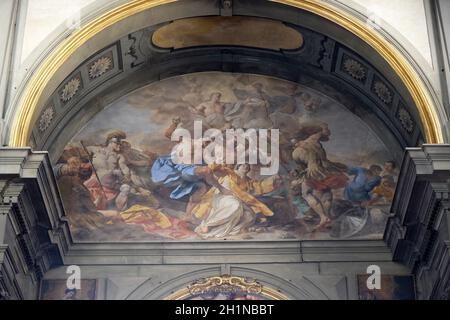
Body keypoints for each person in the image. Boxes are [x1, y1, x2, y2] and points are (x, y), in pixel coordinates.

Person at [192, 164, 277, 239]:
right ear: (238, 167)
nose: (245, 166)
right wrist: (214, 166)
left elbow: (260, 187)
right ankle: (208, 224)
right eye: (243, 165)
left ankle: (228, 230)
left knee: (250, 216)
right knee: (234, 205)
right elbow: (217, 169)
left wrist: (273, 179)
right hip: (222, 197)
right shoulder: (229, 173)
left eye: (247, 166)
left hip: (237, 200)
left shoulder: (248, 181)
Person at [291, 124, 348, 230]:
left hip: (313, 171)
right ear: (319, 130)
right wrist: (336, 167)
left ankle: (324, 217)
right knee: (326, 193)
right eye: (326, 128)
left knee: (307, 194)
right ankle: (327, 217)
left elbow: (298, 160)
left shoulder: (303, 145)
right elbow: (324, 162)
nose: (328, 131)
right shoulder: (315, 144)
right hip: (321, 171)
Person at [83, 130, 132, 210]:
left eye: (120, 144)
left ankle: (120, 208)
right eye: (117, 143)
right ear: (110, 142)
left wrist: (127, 176)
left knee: (124, 184)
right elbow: (81, 150)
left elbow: (124, 169)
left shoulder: (119, 156)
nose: (120, 146)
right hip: (95, 180)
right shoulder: (95, 149)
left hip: (110, 183)